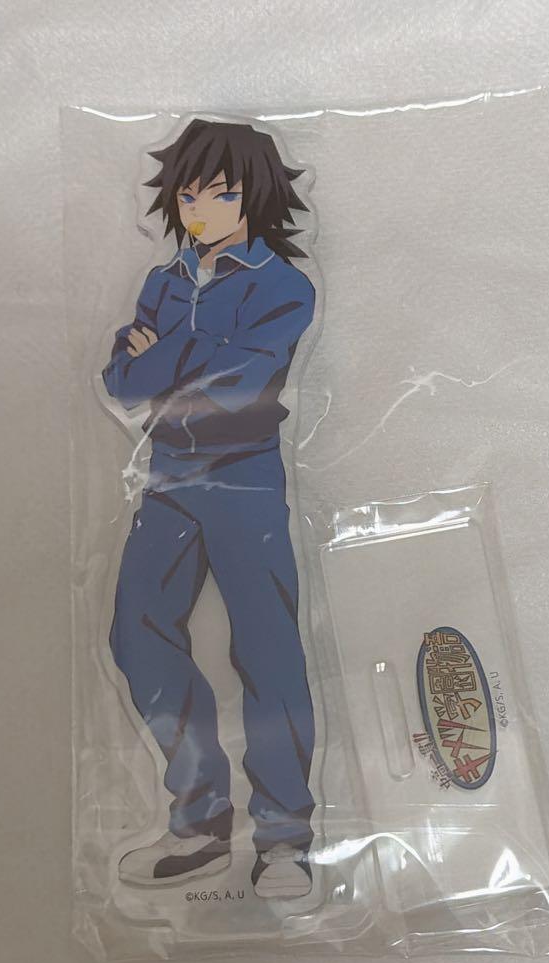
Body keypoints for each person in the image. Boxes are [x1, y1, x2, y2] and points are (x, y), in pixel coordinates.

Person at [102, 119, 317, 899]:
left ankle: (284, 840)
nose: (199, 210)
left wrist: (160, 358)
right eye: (188, 195)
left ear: (255, 196)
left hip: (244, 478)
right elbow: (120, 383)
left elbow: (239, 387)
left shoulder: (284, 286)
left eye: (220, 194)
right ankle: (198, 824)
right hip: (166, 477)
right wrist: (179, 364)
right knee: (136, 633)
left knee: (266, 648)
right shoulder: (163, 281)